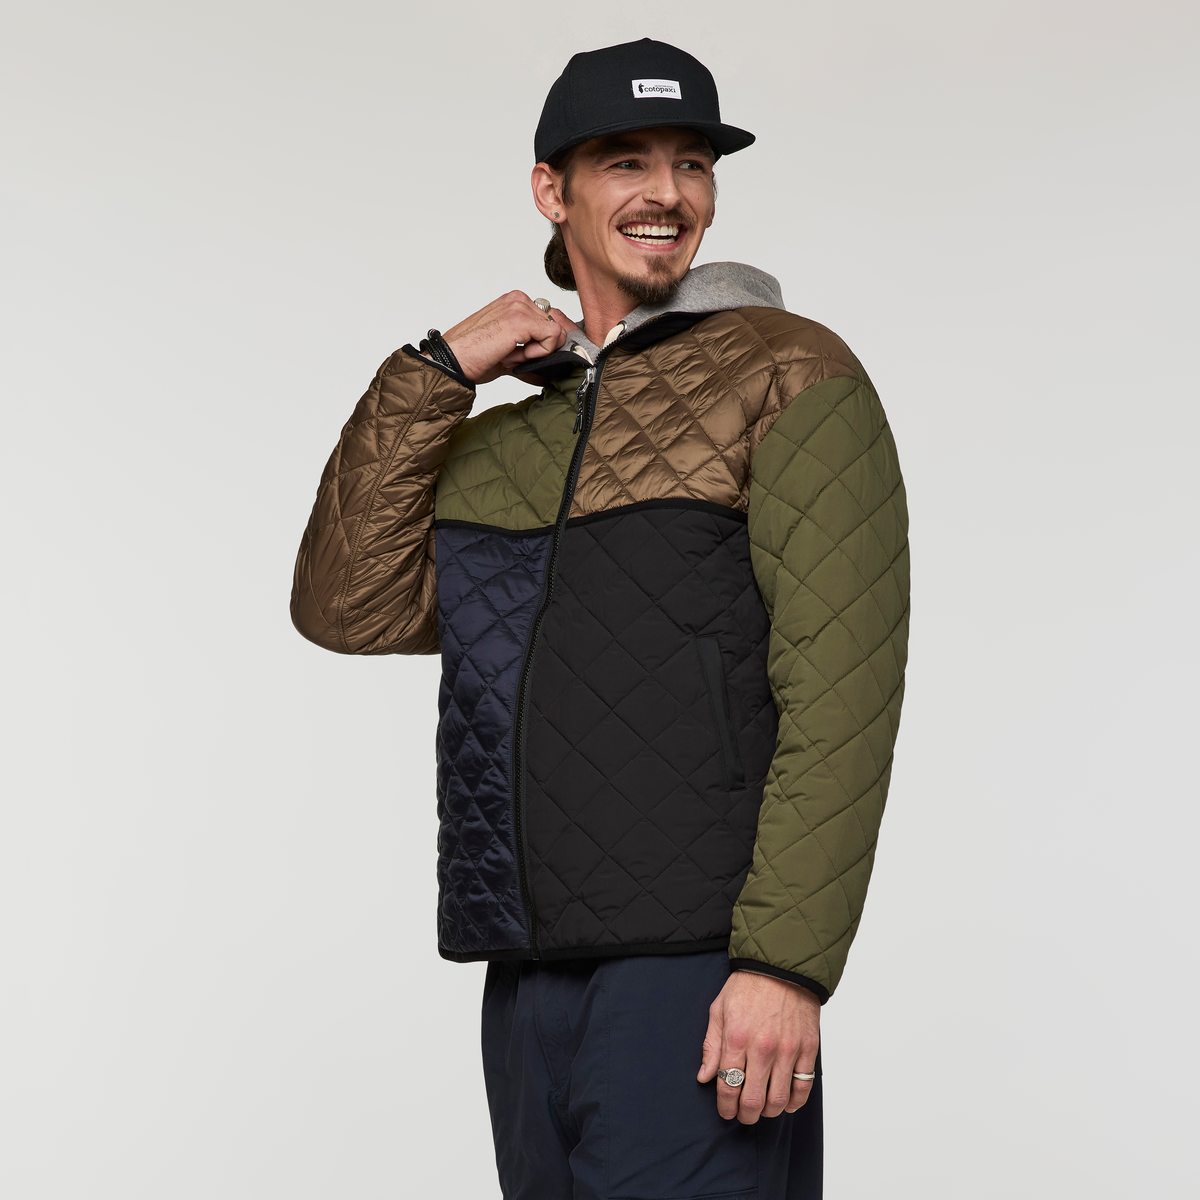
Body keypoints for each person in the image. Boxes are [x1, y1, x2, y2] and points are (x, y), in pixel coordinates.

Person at [291, 37, 909, 1200]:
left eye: (693, 163)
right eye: (627, 161)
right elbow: (344, 605)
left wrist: (785, 965)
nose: (667, 193)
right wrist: (438, 370)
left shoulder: (788, 372)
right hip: (526, 969)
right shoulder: (503, 438)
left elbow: (844, 697)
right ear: (552, 189)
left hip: (701, 966)